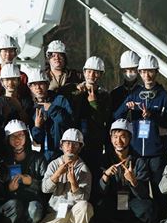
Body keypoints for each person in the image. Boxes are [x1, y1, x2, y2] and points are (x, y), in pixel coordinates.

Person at [114, 54, 167, 222]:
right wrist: (127, 108)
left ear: (156, 72)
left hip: (155, 153)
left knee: (158, 190)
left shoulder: (164, 96)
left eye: (151, 72)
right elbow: (116, 116)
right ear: (139, 72)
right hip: (135, 153)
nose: (147, 75)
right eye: (144, 72)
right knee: (132, 188)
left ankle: (161, 222)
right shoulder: (135, 93)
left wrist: (152, 115)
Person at [97, 120, 154, 223]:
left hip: (132, 199)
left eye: (123, 136)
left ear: (129, 138)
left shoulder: (139, 161)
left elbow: (144, 194)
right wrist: (105, 176)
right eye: (115, 137)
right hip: (113, 198)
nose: (119, 141)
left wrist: (133, 180)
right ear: (111, 139)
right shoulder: (105, 159)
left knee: (147, 207)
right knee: (100, 204)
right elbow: (99, 191)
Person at [34, 128, 94, 223]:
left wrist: (74, 183)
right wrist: (56, 175)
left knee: (85, 206)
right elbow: (45, 189)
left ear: (79, 147)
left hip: (73, 212)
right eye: (67, 143)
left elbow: (84, 198)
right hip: (57, 211)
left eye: (74, 144)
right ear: (61, 145)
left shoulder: (84, 170)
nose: (70, 147)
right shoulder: (54, 164)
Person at [1, 119, 48, 223]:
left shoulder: (38, 158)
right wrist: (9, 188)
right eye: (13, 137)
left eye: (21, 135)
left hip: (31, 206)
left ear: (26, 136)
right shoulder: (3, 161)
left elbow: (48, 186)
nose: (17, 139)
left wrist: (31, 181)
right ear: (7, 139)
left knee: (35, 208)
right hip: (14, 208)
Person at [71, 56, 111, 190]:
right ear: (84, 72)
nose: (91, 75)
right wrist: (78, 96)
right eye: (88, 71)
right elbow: (71, 116)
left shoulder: (104, 95)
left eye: (95, 72)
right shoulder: (74, 91)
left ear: (100, 74)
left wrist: (94, 103)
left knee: (94, 174)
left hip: (95, 142)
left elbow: (104, 119)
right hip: (77, 142)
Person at [27, 68, 74, 162]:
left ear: (47, 85)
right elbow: (37, 140)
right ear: (30, 88)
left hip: (63, 152)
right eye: (34, 85)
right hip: (45, 156)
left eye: (41, 84)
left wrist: (52, 109)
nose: (38, 88)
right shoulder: (32, 109)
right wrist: (37, 127)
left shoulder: (60, 100)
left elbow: (70, 123)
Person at [110, 50, 141, 119]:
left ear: (138, 69)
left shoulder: (143, 92)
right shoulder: (115, 93)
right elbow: (112, 117)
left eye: (132, 69)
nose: (129, 73)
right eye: (126, 70)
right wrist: (125, 106)